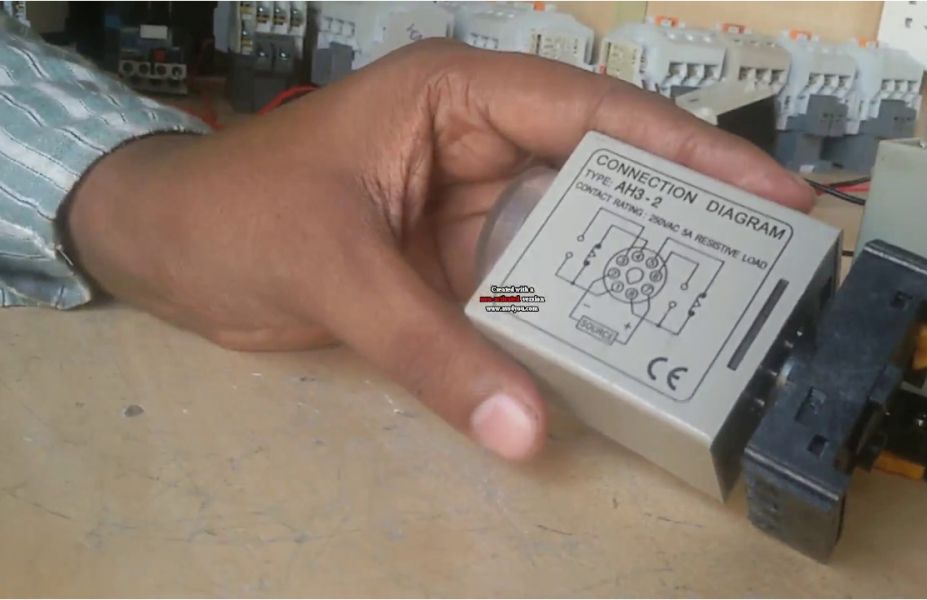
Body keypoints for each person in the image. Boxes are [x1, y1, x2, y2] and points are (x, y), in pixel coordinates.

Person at [0, 13, 815, 463]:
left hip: (486, 278)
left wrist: (131, 184)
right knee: (514, 297)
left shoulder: (493, 276)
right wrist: (129, 194)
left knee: (513, 296)